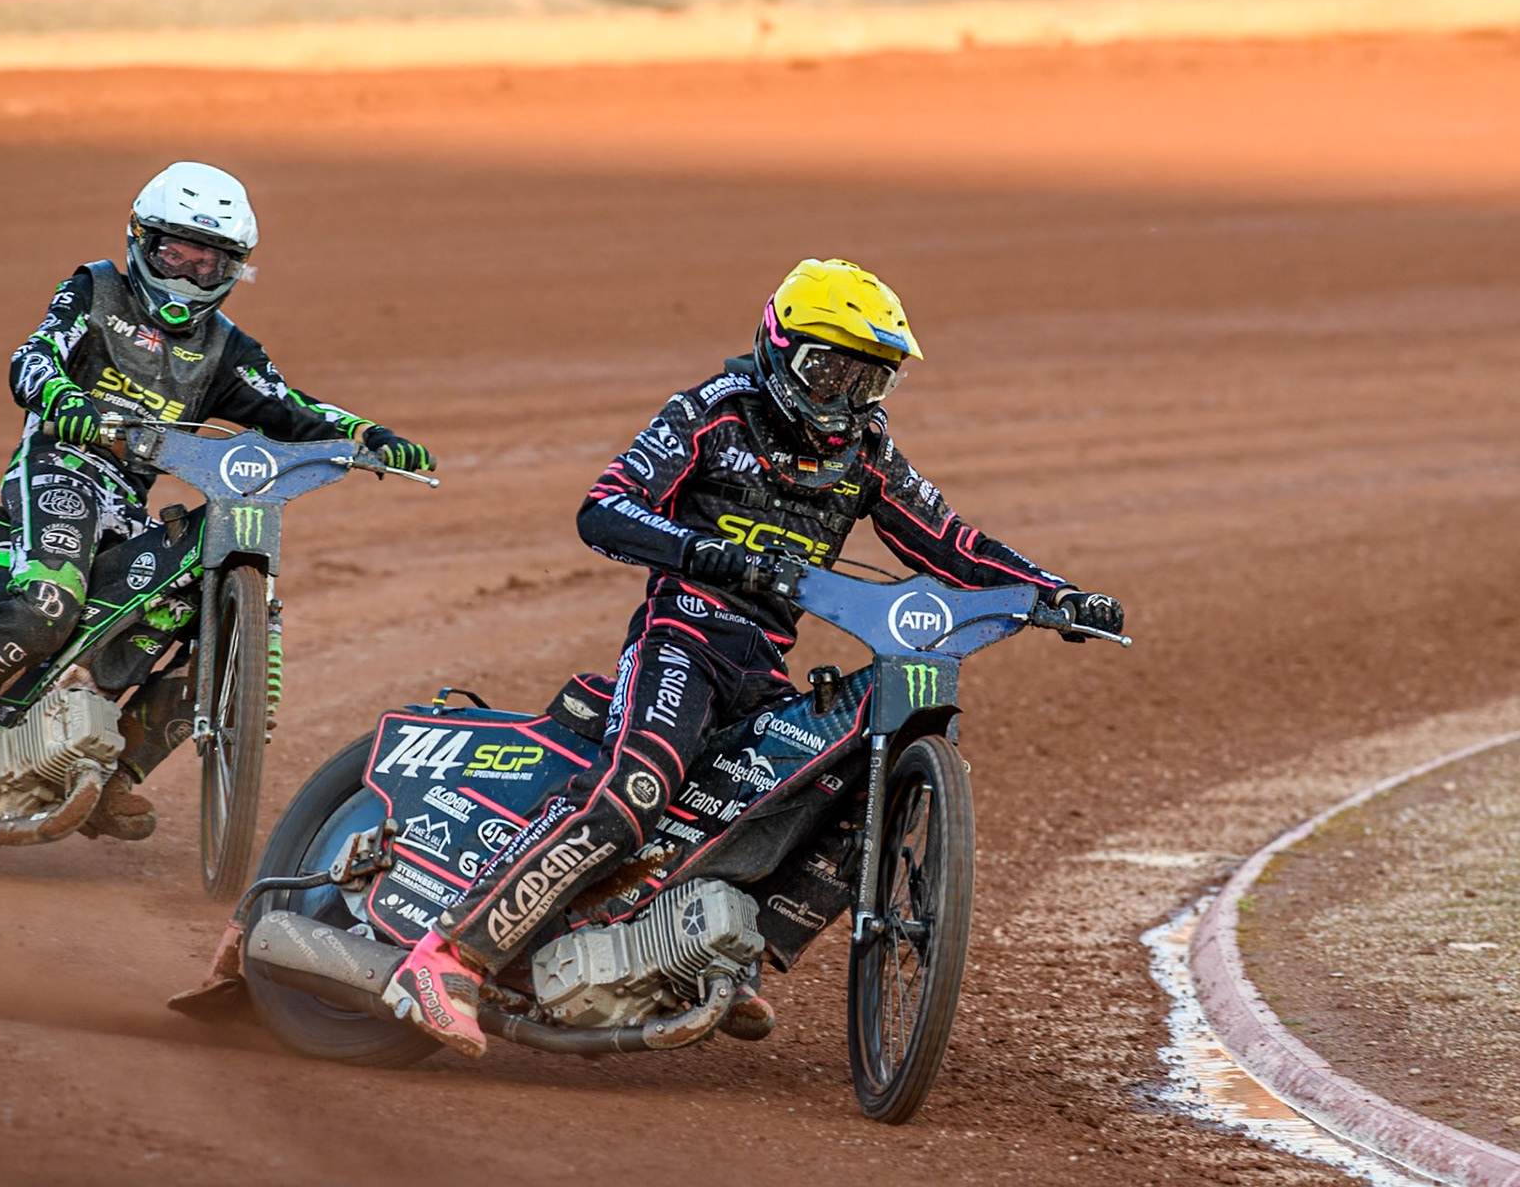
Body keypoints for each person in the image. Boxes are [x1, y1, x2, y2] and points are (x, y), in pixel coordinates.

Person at [382, 258, 1122, 1057]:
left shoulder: (866, 450)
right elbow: (603, 511)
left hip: (760, 667)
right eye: (828, 369)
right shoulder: (713, 411)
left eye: (867, 382)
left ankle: (725, 959)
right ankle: (449, 957)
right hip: (683, 640)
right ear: (777, 347)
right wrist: (708, 554)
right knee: (639, 787)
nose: (844, 398)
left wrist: (1054, 595)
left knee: (844, 780)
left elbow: (950, 541)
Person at [0, 161, 435, 856]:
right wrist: (62, 400)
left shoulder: (225, 349)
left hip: (126, 502)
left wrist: (368, 437)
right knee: (47, 604)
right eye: (176, 253)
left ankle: (116, 768)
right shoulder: (94, 289)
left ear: (234, 268)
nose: (189, 274)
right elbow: (33, 357)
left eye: (210, 260)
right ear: (142, 242)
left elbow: (290, 407)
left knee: (195, 621)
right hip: (61, 469)